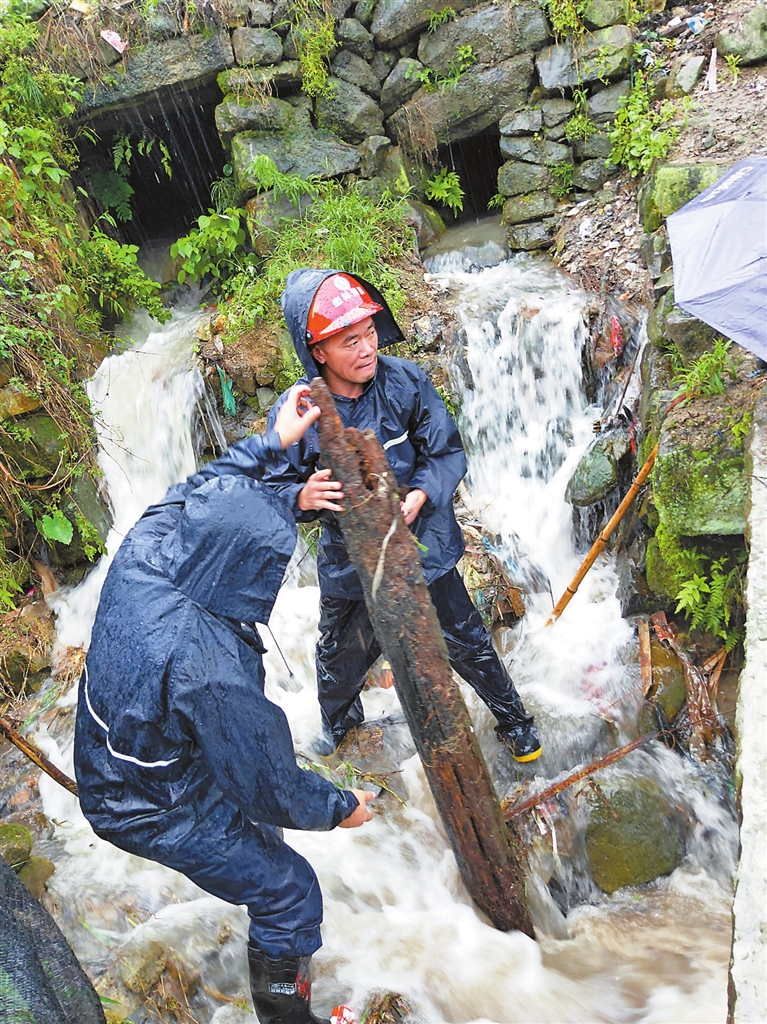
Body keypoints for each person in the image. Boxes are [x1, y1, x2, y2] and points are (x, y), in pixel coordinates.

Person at [74, 386, 375, 1024]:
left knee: (260, 844)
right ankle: (287, 1019)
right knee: (291, 892)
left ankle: (268, 953)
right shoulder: (209, 667)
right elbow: (268, 784)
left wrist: (273, 444)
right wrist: (342, 807)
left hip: (120, 744)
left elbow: (205, 485)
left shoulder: (147, 548)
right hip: (143, 801)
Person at [263, 268, 542, 763]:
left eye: (370, 333)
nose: (367, 348)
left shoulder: (404, 382)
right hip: (351, 563)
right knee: (340, 660)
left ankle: (515, 722)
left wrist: (421, 493)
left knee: (467, 640)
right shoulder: (301, 411)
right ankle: (343, 736)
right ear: (318, 352)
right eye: (350, 341)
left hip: (423, 544)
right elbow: (270, 485)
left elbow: (445, 451)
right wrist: (301, 497)